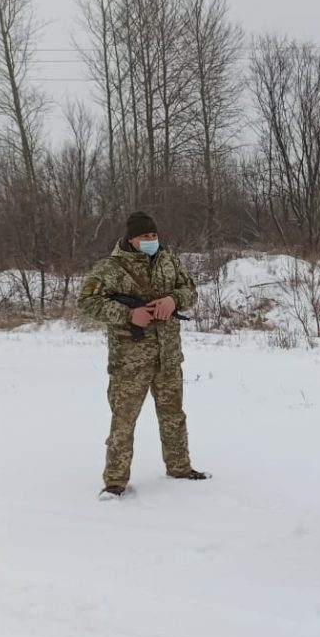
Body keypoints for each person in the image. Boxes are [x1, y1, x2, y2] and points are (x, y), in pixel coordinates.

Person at [78, 211, 209, 499]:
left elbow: (190, 290)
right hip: (130, 360)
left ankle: (180, 467)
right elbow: (86, 301)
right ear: (131, 238)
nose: (151, 240)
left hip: (168, 356)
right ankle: (115, 482)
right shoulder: (110, 268)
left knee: (174, 416)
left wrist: (172, 300)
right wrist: (128, 314)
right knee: (123, 421)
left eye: (154, 235)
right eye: (144, 236)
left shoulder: (169, 261)